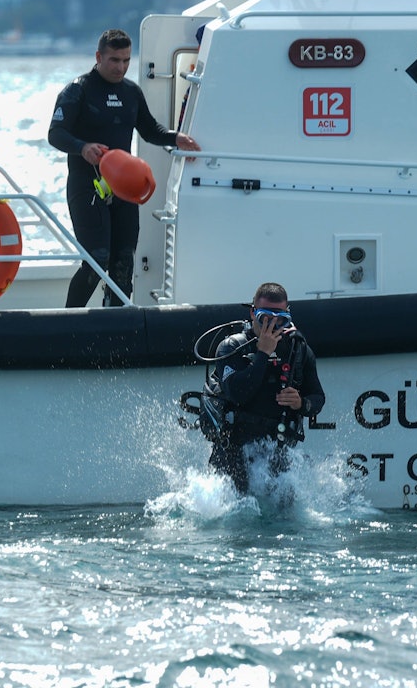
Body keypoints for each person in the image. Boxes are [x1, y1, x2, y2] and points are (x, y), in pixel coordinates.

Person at [48, 28, 201, 308]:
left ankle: (115, 330)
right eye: (114, 60)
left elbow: (149, 130)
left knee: (123, 264)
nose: (121, 67)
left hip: (124, 189)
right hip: (88, 187)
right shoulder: (77, 90)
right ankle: (68, 322)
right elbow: (55, 134)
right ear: (99, 57)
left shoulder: (131, 92)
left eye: (126, 60)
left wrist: (175, 137)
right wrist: (82, 147)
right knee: (96, 260)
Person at [203, 282, 326, 495]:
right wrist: (263, 354)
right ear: (253, 313)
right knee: (238, 513)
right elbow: (238, 393)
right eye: (265, 319)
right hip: (235, 449)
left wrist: (300, 403)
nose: (273, 326)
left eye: (280, 320)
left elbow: (317, 398)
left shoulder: (297, 350)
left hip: (276, 450)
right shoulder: (232, 347)